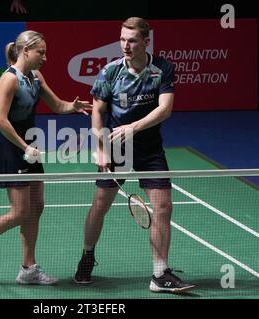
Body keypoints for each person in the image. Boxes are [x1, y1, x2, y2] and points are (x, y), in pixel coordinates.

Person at [0, 30, 92, 285]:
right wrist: (24, 147)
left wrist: (73, 107)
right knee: (19, 212)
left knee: (36, 207)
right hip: (12, 149)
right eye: (41, 52)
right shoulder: (10, 80)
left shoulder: (35, 77)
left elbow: (57, 105)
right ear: (25, 51)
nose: (45, 57)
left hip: (31, 148)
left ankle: (28, 268)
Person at [73, 17, 195, 293]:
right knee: (100, 206)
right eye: (122, 39)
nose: (125, 45)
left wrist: (133, 127)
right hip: (117, 149)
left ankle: (159, 273)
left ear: (145, 42)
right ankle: (87, 255)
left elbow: (165, 109)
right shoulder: (110, 72)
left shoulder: (162, 68)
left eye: (132, 40)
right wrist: (100, 148)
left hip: (150, 149)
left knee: (163, 208)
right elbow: (97, 111)